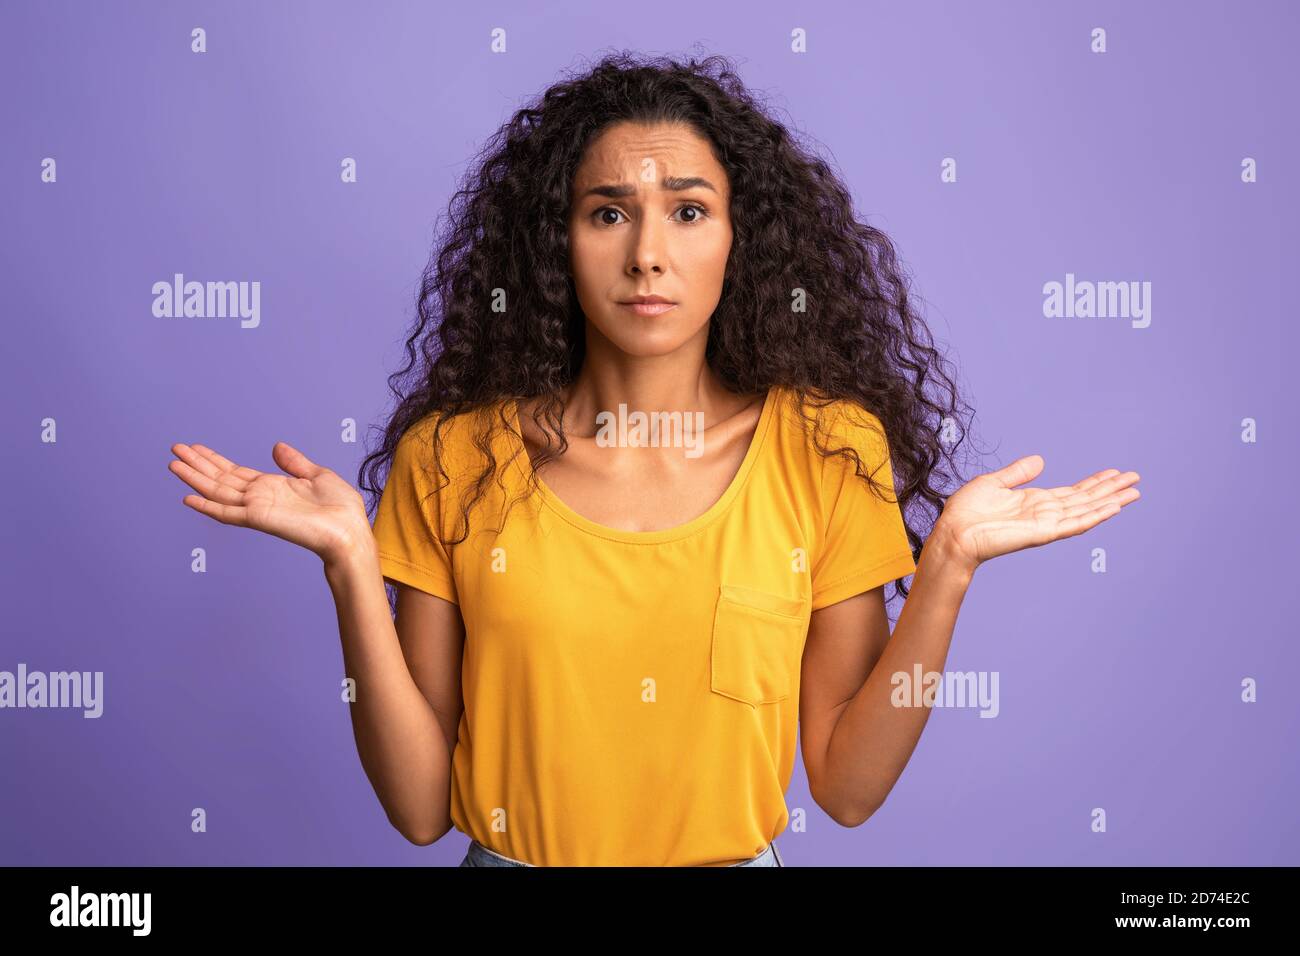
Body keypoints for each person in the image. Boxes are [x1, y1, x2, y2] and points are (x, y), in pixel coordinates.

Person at [166, 52, 1140, 867]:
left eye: (685, 210)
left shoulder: (827, 450)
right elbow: (421, 809)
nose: (646, 254)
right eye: (606, 212)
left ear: (738, 239)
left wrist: (948, 569)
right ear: (555, 244)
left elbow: (844, 786)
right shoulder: (452, 458)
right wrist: (347, 561)